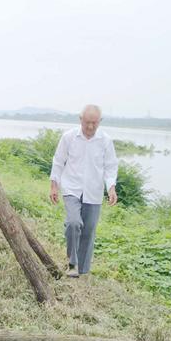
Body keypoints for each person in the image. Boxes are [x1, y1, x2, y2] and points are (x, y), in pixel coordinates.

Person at [49, 104, 118, 277]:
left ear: (100, 121)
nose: (90, 127)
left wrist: (111, 188)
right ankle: (72, 263)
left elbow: (110, 167)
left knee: (88, 231)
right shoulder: (69, 137)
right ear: (80, 119)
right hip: (72, 188)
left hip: (93, 192)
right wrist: (54, 185)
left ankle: (82, 271)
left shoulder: (105, 141)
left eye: (94, 123)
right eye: (87, 122)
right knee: (73, 223)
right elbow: (58, 161)